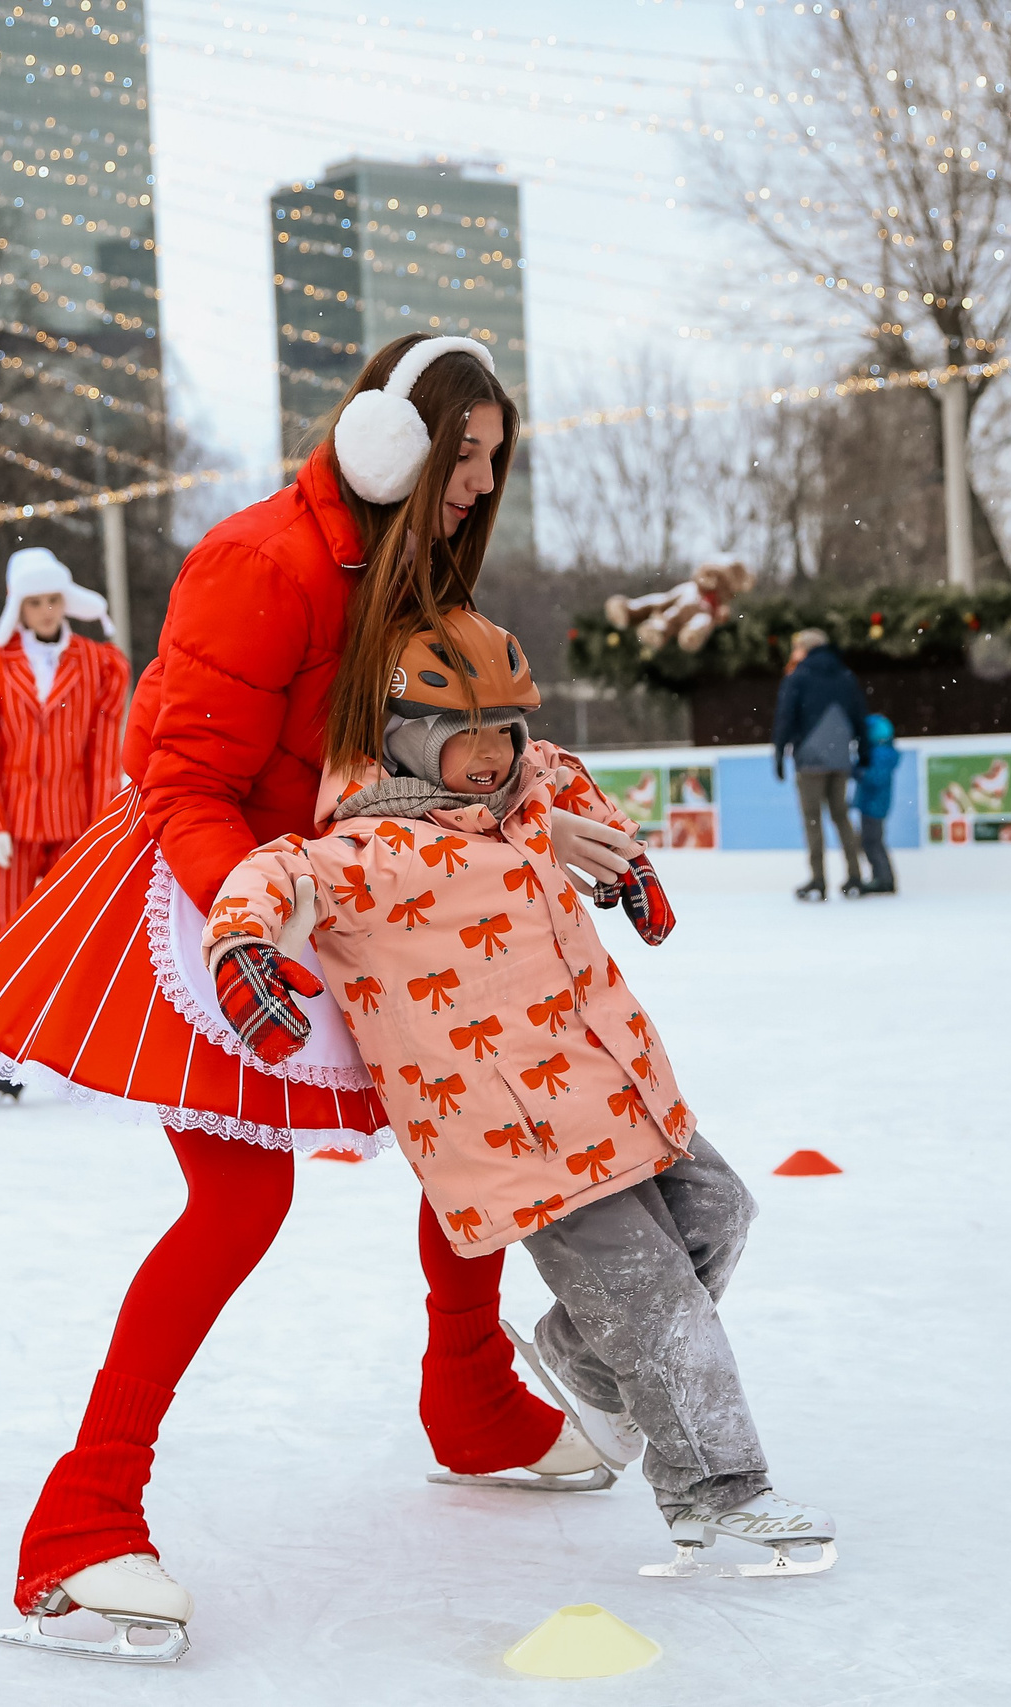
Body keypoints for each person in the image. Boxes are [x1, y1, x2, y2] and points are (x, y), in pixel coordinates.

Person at [0, 334, 640, 1664]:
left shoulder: (413, 576)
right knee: (238, 1196)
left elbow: (437, 751)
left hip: (347, 900)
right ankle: (79, 1524)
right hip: (214, 914)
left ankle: (474, 1396)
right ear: (386, 438)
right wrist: (256, 932)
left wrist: (553, 811)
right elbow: (184, 775)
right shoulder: (263, 560)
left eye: (497, 458)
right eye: (461, 453)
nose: (480, 483)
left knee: (466, 1129)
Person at [204, 610, 836, 1579]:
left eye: (503, 730)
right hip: (512, 1128)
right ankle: (720, 1490)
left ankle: (580, 1361)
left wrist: (630, 860)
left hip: (619, 1088)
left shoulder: (530, 796)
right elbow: (267, 875)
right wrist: (243, 952)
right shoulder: (360, 857)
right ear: (404, 734)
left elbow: (561, 769)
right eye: (468, 735)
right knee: (651, 1295)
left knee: (719, 1209)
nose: (492, 754)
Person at [0, 548, 131, 1098]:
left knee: (77, 936)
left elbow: (102, 751)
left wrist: (102, 828)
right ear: (18, 607)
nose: (47, 612)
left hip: (75, 822)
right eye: (35, 602)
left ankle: (72, 1046)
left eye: (53, 600)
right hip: (13, 824)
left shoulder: (100, 664)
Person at [770, 628, 868, 901]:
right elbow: (860, 715)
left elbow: (786, 717)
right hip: (840, 759)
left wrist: (779, 752)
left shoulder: (798, 676)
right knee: (842, 817)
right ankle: (855, 875)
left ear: (805, 648)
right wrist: (864, 752)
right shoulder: (845, 676)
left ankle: (818, 879)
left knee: (813, 820)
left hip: (810, 761)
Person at [852, 712, 900, 896]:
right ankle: (882, 877)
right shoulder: (882, 752)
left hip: (874, 806)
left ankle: (884, 879)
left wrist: (860, 772)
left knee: (871, 841)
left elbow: (876, 779)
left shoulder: (880, 754)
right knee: (872, 841)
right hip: (873, 805)